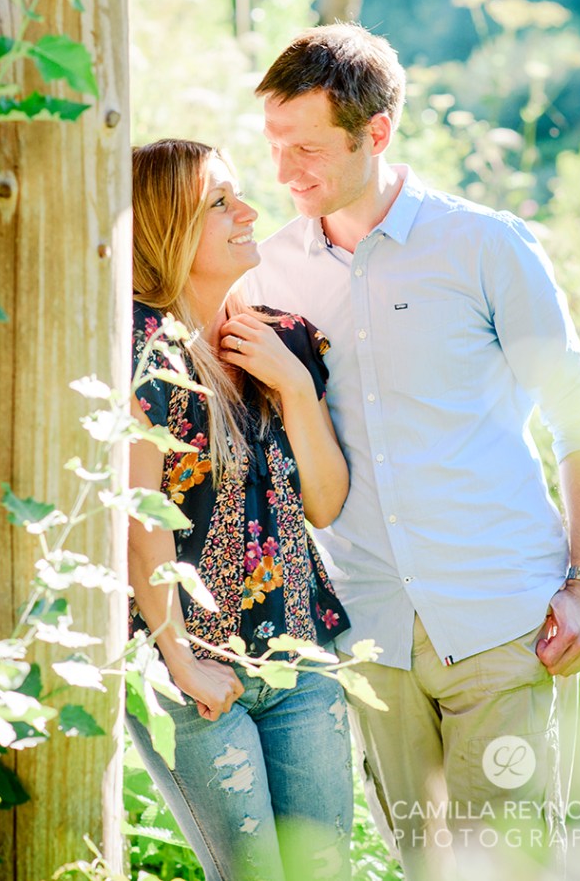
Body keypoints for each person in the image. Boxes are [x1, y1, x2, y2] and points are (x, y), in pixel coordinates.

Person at [241, 24, 580, 879]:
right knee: (425, 865)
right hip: (370, 633)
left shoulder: (485, 246)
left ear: (375, 133)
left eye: (306, 147)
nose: (285, 172)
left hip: (500, 622)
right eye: (273, 146)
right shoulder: (267, 274)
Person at [125, 139, 354, 881]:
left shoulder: (280, 340)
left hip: (299, 659)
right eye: (219, 202)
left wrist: (294, 388)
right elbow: (140, 522)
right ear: (165, 230)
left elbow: (324, 503)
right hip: (193, 677)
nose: (249, 211)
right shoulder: (136, 351)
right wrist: (180, 661)